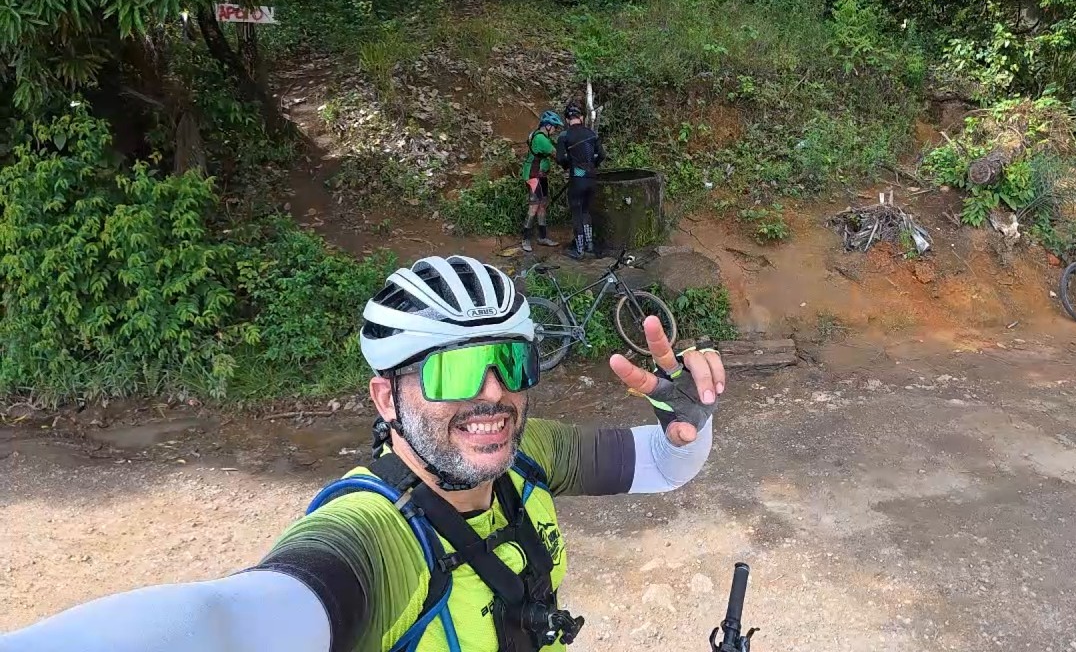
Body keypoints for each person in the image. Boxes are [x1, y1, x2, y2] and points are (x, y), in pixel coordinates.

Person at [0, 255, 726, 652]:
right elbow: (226, 621)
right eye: (450, 371)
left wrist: (688, 416)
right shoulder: (378, 535)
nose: (493, 395)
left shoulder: (526, 453)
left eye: (510, 361)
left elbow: (664, 466)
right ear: (386, 400)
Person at [555, 104, 605, 259]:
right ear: (581, 118)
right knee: (586, 211)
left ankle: (579, 249)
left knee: (576, 212)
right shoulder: (591, 134)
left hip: (577, 178)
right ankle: (589, 245)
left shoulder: (564, 136)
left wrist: (567, 165)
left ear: (567, 119)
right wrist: (592, 166)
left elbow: (560, 158)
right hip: (591, 178)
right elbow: (601, 155)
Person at [521, 111, 563, 253]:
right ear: (548, 126)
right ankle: (525, 239)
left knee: (542, 206)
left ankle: (542, 237)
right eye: (555, 127)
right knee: (534, 207)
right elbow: (557, 155)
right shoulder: (541, 139)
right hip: (533, 175)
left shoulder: (541, 135)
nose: (556, 130)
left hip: (541, 175)